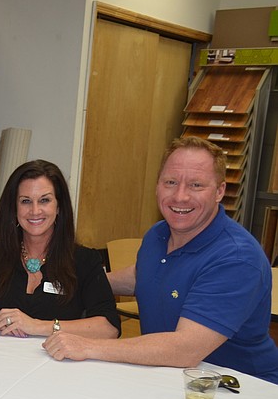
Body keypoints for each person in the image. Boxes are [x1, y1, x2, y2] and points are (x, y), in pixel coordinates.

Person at [44, 136, 278, 384]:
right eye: (170, 182)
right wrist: (75, 281)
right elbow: (143, 275)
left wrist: (89, 346)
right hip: (170, 377)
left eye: (196, 185)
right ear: (157, 185)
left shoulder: (237, 259)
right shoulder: (159, 233)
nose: (180, 196)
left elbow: (185, 349)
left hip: (238, 389)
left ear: (220, 191)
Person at [0, 159, 120, 339]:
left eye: (44, 200)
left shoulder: (85, 261)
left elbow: (109, 328)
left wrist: (37, 326)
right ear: (13, 207)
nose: (35, 211)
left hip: (58, 361)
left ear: (59, 206)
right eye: (26, 201)